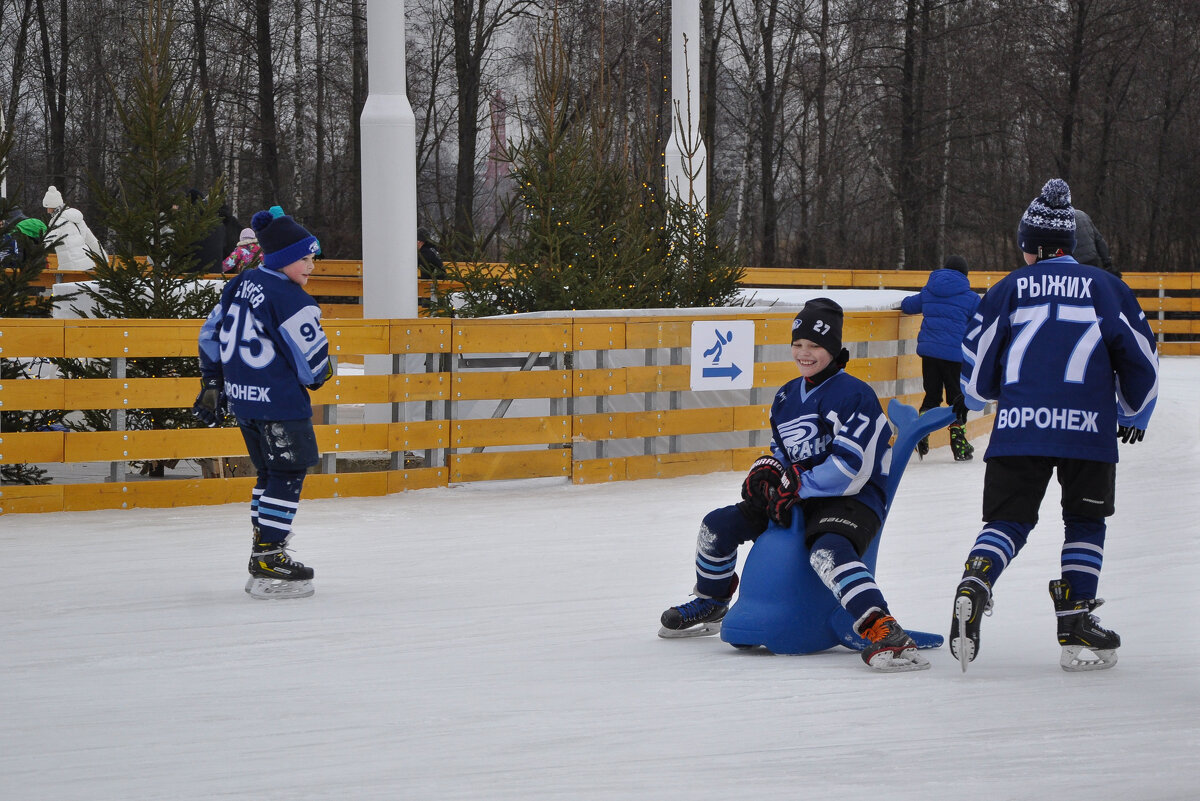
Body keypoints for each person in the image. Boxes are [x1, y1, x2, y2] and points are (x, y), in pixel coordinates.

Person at [951, 178, 1159, 671]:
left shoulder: (1007, 289)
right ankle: (1075, 621)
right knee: (1085, 522)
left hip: (1020, 427)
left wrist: (980, 397)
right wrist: (1134, 411)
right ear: (1069, 245)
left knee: (1007, 521)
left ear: (1029, 247)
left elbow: (977, 365)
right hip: (1088, 429)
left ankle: (976, 579)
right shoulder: (1108, 288)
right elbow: (1143, 357)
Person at [659, 298, 929, 672]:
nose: (804, 353)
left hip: (851, 498)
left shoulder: (854, 394)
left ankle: (882, 627)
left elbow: (852, 467)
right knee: (716, 526)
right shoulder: (787, 396)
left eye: (814, 346)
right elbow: (782, 451)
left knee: (827, 551)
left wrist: (796, 485)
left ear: (833, 349)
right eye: (798, 345)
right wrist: (768, 471)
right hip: (799, 492)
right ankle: (712, 600)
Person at [194, 209, 331, 600]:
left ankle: (265, 546)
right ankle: (269, 554)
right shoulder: (290, 297)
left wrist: (213, 381)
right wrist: (323, 370)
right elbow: (312, 367)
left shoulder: (241, 283)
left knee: (269, 473)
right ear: (284, 258)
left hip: (245, 402)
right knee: (289, 471)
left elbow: (210, 334)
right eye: (304, 258)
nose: (311, 266)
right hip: (280, 403)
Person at [900, 254, 981, 461]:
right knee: (957, 397)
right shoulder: (970, 298)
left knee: (932, 394)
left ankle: (922, 433)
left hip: (929, 353)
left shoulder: (929, 291)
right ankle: (959, 442)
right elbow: (982, 321)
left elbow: (908, 305)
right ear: (964, 275)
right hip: (955, 356)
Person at [42, 185, 106, 270]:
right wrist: (104, 259)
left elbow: (47, 241)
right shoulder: (78, 219)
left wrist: (31, 253)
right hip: (88, 264)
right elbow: (92, 241)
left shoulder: (58, 221)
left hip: (71, 267)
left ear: (53, 207)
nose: (47, 211)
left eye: (48, 208)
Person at [1072, 208, 1117, 276]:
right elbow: (1099, 240)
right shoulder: (1082, 215)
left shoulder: (1055, 221)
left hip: (1073, 264)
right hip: (1091, 261)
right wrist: (1107, 263)